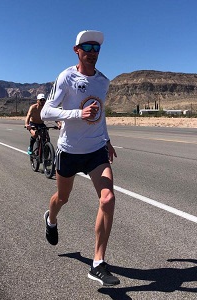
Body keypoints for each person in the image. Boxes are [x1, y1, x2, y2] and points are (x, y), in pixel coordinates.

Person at [41, 30, 119, 286]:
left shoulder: (103, 82)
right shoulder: (66, 77)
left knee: (107, 198)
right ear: (77, 50)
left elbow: (100, 114)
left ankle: (98, 263)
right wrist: (77, 114)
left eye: (96, 47)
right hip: (70, 151)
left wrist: (106, 140)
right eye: (87, 46)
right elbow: (46, 112)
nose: (93, 51)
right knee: (62, 198)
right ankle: (50, 219)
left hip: (96, 150)